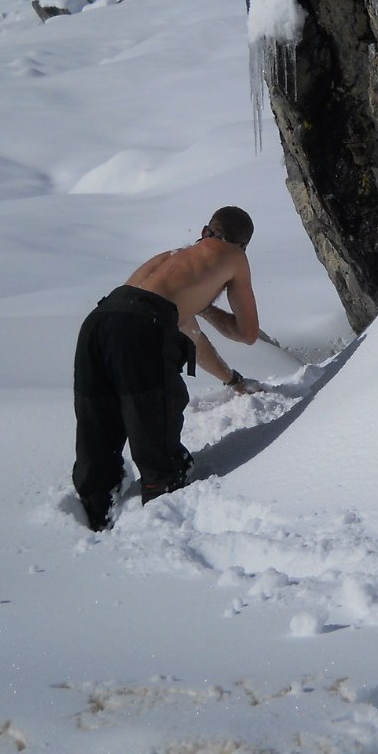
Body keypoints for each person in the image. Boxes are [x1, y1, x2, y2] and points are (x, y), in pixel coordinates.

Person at [72, 206, 261, 531]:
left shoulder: (170, 262)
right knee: (154, 426)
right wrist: (209, 308)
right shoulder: (235, 257)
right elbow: (248, 333)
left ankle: (94, 509)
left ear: (204, 231)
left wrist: (232, 380)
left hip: (99, 322)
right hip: (143, 328)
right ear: (243, 245)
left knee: (98, 423)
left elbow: (193, 340)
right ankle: (163, 507)